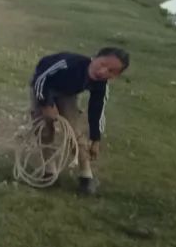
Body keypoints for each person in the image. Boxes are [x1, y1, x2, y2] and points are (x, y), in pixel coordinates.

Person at [29, 47, 130, 196]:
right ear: (94, 57)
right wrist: (45, 104)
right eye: (102, 64)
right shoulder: (69, 63)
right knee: (44, 129)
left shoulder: (101, 85)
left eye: (111, 71)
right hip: (43, 86)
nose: (103, 72)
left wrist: (95, 138)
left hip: (67, 94)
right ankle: (49, 172)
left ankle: (86, 175)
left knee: (74, 131)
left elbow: (97, 110)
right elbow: (41, 79)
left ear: (116, 76)